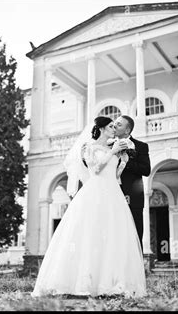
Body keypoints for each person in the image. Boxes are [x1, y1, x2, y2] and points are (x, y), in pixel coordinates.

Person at [31, 116, 146, 298]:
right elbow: (96, 169)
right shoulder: (89, 147)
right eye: (110, 126)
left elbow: (115, 175)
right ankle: (84, 281)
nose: (114, 128)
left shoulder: (112, 148)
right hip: (96, 191)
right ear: (101, 129)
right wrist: (113, 151)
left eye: (115, 126)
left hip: (113, 193)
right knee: (90, 234)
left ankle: (110, 282)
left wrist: (122, 159)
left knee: (113, 236)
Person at [114, 116, 151, 252]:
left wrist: (127, 161)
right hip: (112, 196)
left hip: (133, 198)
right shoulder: (107, 145)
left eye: (118, 124)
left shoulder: (141, 146)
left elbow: (146, 170)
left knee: (135, 234)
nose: (114, 126)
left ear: (127, 130)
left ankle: (136, 270)